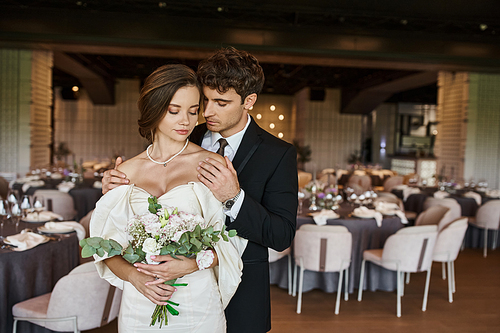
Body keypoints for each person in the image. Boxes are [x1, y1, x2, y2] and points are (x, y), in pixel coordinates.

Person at [102, 47, 298, 333]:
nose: (206, 113)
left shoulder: (277, 154)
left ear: (249, 101)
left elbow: (281, 235)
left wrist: (234, 198)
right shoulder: (181, 131)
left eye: (221, 102)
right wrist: (117, 188)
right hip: (167, 292)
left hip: (242, 294)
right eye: (203, 101)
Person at [90, 64, 246, 332]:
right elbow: (105, 247)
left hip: (197, 303)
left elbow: (237, 237)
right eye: (174, 111)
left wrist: (195, 262)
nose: (185, 121)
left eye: (193, 111)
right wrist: (134, 278)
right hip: (140, 304)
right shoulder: (125, 172)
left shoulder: (211, 165)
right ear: (154, 109)